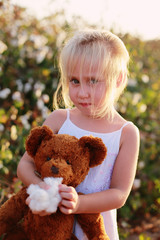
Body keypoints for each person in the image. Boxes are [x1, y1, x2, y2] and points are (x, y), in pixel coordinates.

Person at [17, 29, 140, 240]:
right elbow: (24, 165)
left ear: (118, 80)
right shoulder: (58, 119)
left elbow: (119, 193)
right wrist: (43, 190)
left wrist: (79, 204)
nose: (82, 92)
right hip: (49, 223)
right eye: (74, 81)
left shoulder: (126, 133)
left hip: (93, 229)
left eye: (93, 81)